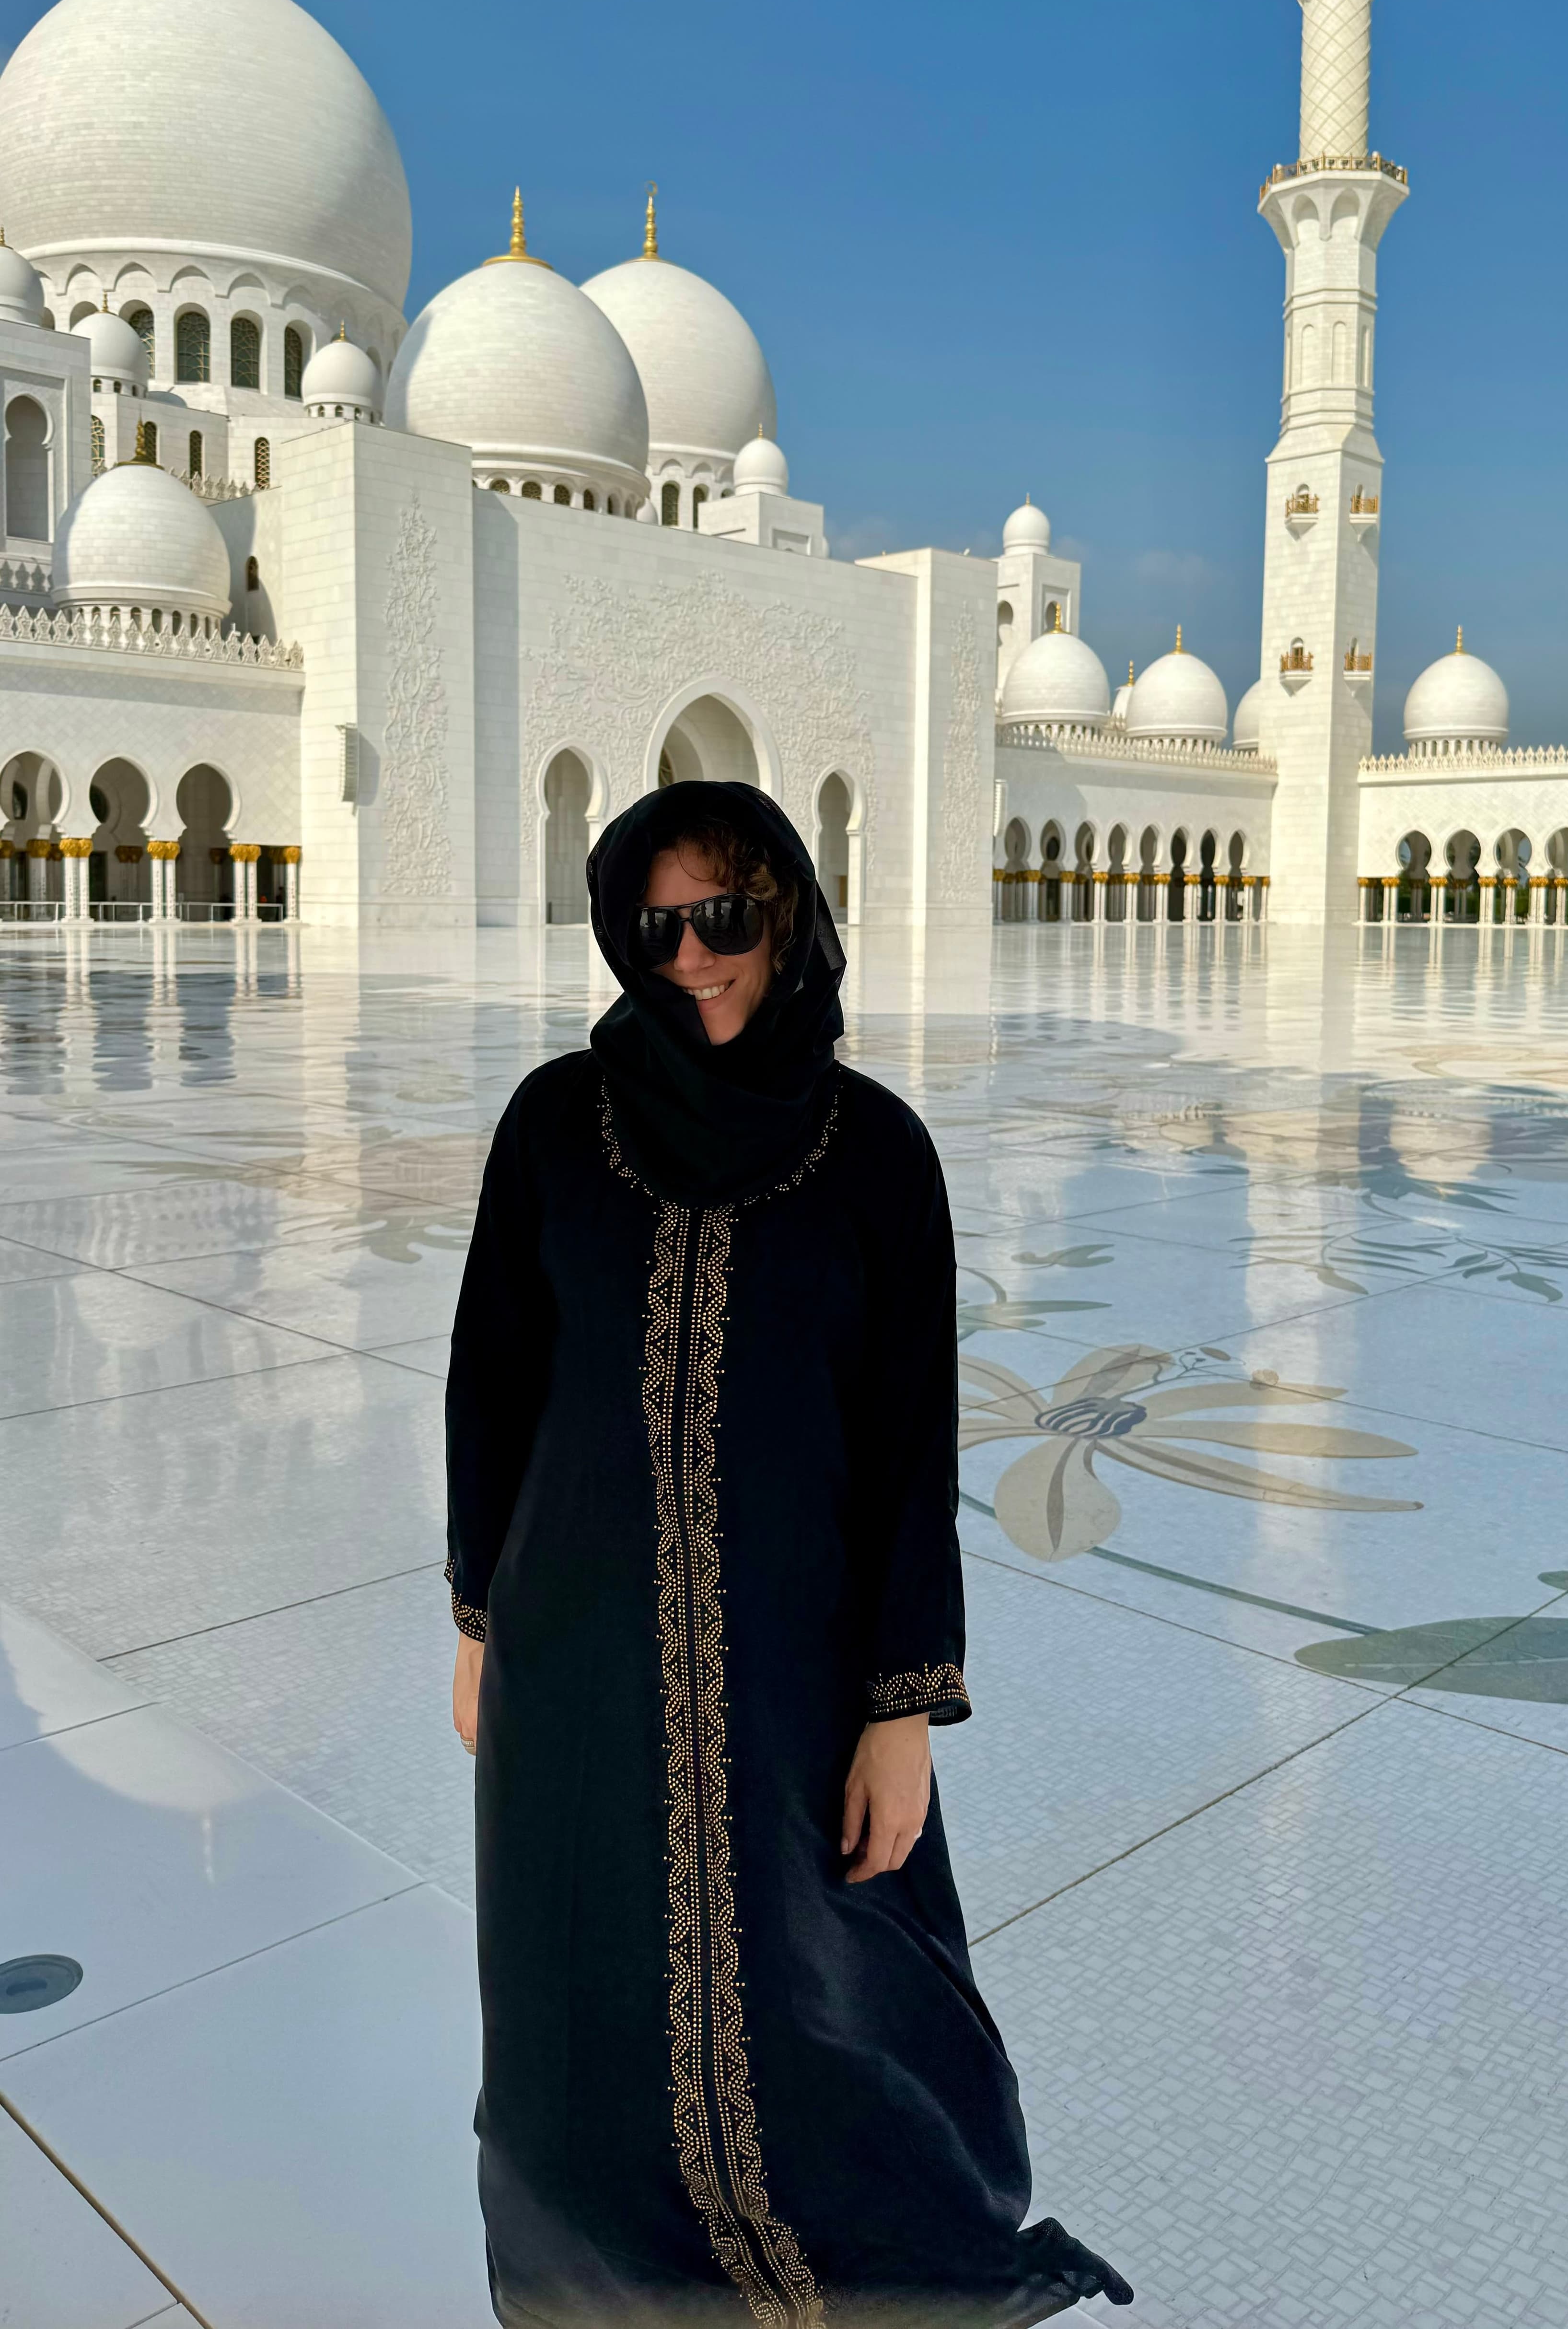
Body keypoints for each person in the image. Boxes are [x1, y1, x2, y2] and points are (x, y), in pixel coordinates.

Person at [446, 779, 1131, 2329]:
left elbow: (907, 1449)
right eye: (659, 923)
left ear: (791, 917)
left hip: (798, 1658)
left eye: (727, 919)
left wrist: (903, 1709)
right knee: (580, 1977)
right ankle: (595, 2272)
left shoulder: (873, 1151)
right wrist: (480, 1618)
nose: (693, 957)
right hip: (575, 1647)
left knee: (826, 1976)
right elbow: (490, 1378)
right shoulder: (560, 1120)